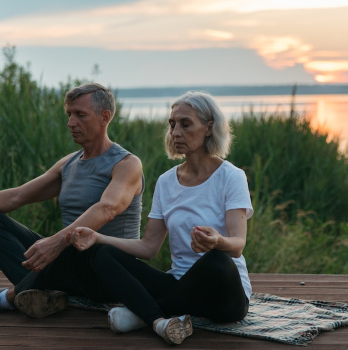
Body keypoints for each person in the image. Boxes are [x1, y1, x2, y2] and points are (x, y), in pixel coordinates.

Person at [0, 83, 144, 317]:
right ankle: (40, 296)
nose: (71, 123)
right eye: (69, 114)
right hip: (71, 266)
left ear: (105, 117)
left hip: (109, 273)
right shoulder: (69, 164)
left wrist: (57, 241)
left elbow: (108, 208)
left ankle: (5, 298)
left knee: (77, 246)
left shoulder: (126, 165)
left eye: (80, 115)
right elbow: (16, 196)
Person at [66, 91, 253, 345]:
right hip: (178, 285)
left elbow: (238, 245)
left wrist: (217, 241)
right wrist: (98, 237)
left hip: (224, 297)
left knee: (217, 261)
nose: (175, 132)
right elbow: (148, 247)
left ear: (209, 128)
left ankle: (145, 314)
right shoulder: (166, 182)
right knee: (102, 253)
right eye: (172, 124)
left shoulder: (231, 177)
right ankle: (159, 319)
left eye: (185, 124)